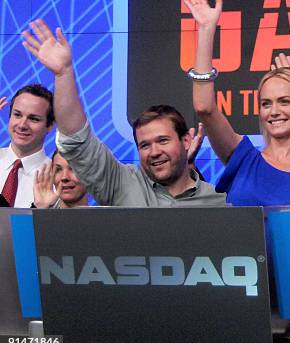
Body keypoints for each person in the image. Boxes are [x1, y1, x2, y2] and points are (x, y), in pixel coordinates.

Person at [22, 19, 226, 208]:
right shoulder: (121, 183)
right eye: (144, 145)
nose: (154, 152)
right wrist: (63, 74)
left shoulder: (218, 203)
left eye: (163, 140)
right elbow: (76, 140)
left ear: (187, 140)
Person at [184, 0, 290, 206]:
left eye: (284, 101)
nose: (274, 111)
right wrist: (205, 30)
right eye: (266, 103)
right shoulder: (243, 158)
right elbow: (204, 107)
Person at [0, 84, 54, 207]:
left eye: (34, 119)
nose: (22, 125)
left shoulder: (56, 178)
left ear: (50, 125)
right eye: (17, 115)